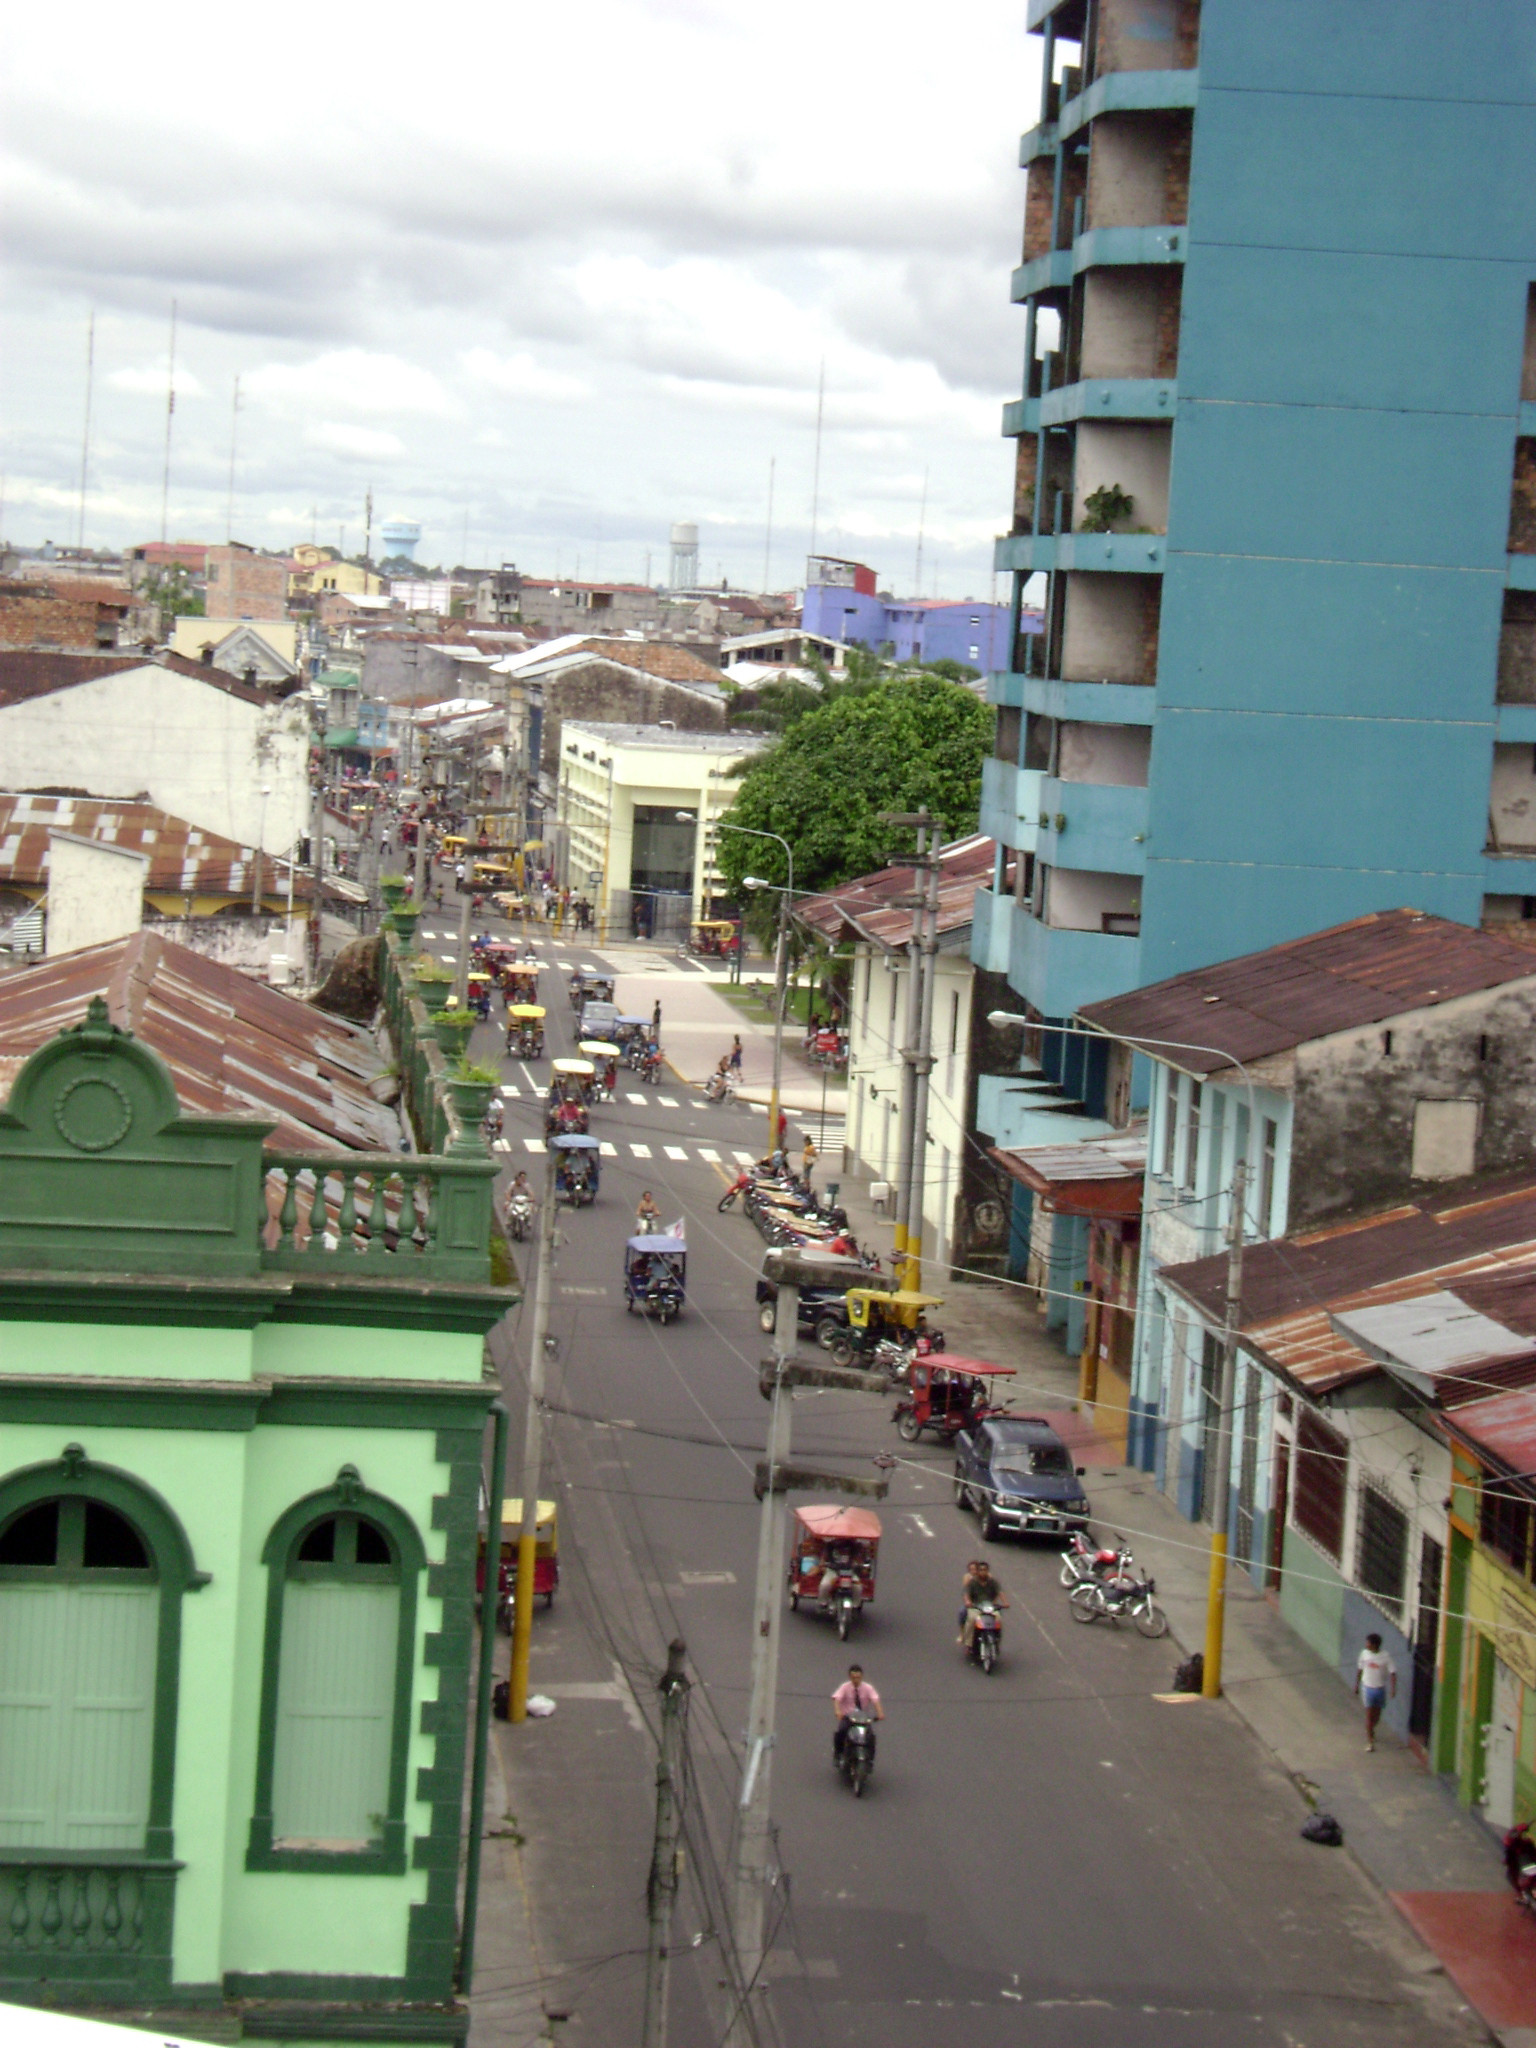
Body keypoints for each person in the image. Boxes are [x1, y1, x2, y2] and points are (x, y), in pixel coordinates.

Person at [831, 1664, 883, 1763]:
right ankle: (838, 1753)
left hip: (862, 1718)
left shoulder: (868, 1688)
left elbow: (875, 1700)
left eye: (858, 1677)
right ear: (850, 1677)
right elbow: (837, 1699)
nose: (856, 1680)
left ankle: (869, 1757)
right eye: (853, 1677)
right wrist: (838, 1711)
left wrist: (880, 1713)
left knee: (870, 1736)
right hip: (848, 1717)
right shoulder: (845, 1687)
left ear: (862, 1677)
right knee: (841, 1731)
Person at [1355, 1632, 1396, 1751]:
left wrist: (1393, 1689)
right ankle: (1370, 1742)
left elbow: (1393, 1673)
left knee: (1376, 1716)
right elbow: (1360, 1669)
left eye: (1368, 1643)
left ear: (1374, 1645)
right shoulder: (1364, 1654)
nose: (1366, 1645)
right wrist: (1357, 1685)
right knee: (1369, 1714)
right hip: (1367, 1687)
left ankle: (1371, 1728)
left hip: (1380, 1689)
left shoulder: (1385, 1656)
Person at [959, 1558, 1009, 1650]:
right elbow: (966, 1593)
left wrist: (1005, 1603)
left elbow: (1000, 1592)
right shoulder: (972, 1582)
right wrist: (968, 1602)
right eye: (981, 1570)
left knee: (998, 1619)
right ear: (977, 1571)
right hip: (976, 1607)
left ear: (988, 1571)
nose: (983, 1572)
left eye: (985, 1570)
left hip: (989, 1607)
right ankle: (968, 1644)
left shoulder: (993, 1582)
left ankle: (996, 1641)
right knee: (971, 1619)